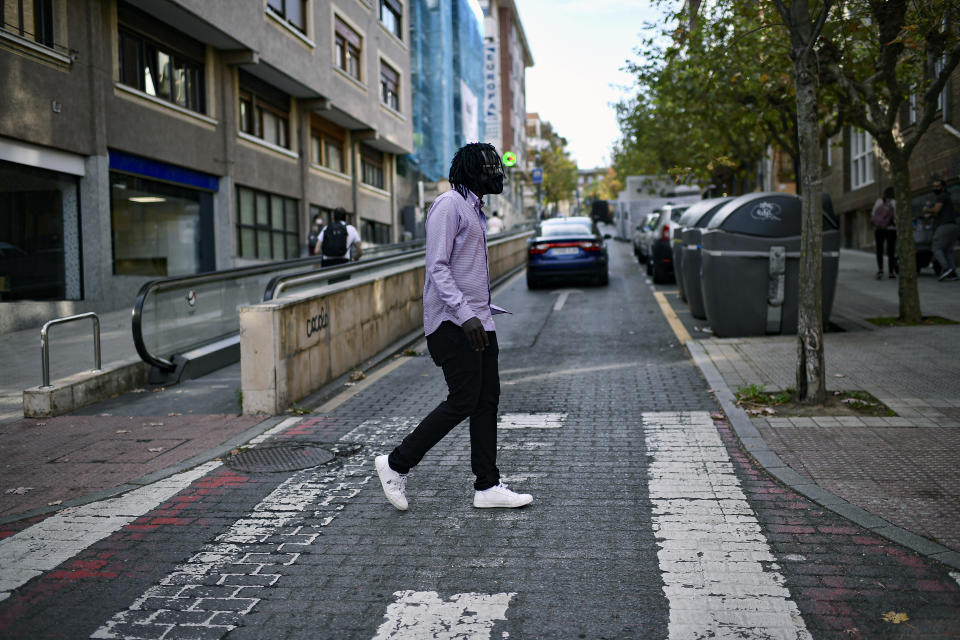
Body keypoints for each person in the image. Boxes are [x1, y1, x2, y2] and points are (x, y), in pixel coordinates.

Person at [374, 142, 532, 511]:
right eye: (489, 165)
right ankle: (396, 464)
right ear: (470, 171)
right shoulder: (449, 205)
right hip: (454, 322)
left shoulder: (474, 210)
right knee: (463, 400)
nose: (497, 171)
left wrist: (482, 313)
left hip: (479, 320)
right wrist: (466, 315)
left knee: (486, 400)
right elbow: (438, 267)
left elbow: (467, 270)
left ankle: (487, 486)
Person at [923, 179, 957, 282]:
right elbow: (938, 211)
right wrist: (931, 213)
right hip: (952, 225)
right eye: (934, 186)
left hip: (945, 225)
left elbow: (936, 209)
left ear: (943, 187)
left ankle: (946, 269)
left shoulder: (941, 196)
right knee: (947, 250)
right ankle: (952, 273)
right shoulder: (947, 196)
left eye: (937, 186)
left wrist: (927, 209)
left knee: (936, 247)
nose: (935, 188)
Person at [871, 186, 896, 279]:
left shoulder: (879, 201)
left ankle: (880, 269)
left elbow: (873, 214)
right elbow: (896, 216)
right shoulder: (895, 202)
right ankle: (891, 272)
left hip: (879, 228)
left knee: (879, 249)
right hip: (891, 229)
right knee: (891, 251)